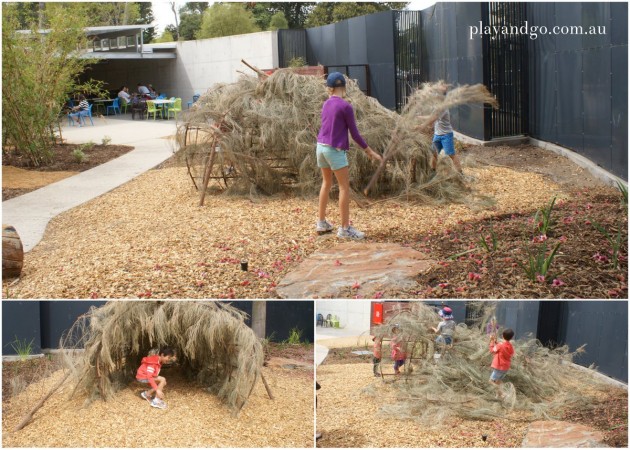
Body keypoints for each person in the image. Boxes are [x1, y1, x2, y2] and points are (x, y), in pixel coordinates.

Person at [316, 72, 382, 239]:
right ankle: (345, 229)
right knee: (344, 187)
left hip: (320, 147)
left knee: (326, 183)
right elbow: (355, 134)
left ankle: (321, 222)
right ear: (344, 88)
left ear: (329, 89)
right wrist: (370, 151)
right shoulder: (346, 106)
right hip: (334, 150)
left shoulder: (326, 104)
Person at [419, 81, 462, 174]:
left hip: (446, 135)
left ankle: (460, 173)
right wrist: (419, 117)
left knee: (451, 154)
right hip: (437, 134)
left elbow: (433, 118)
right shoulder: (437, 106)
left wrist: (422, 126)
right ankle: (433, 171)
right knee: (434, 153)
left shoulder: (443, 107)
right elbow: (431, 116)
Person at [489, 328, 515, 397]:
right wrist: (496, 343)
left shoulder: (500, 345)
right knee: (498, 382)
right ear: (511, 338)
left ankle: (503, 394)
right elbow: (506, 350)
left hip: (499, 367)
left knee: (491, 381)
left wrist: (492, 341)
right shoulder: (510, 346)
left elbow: (492, 350)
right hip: (505, 368)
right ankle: (497, 397)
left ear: (503, 336)